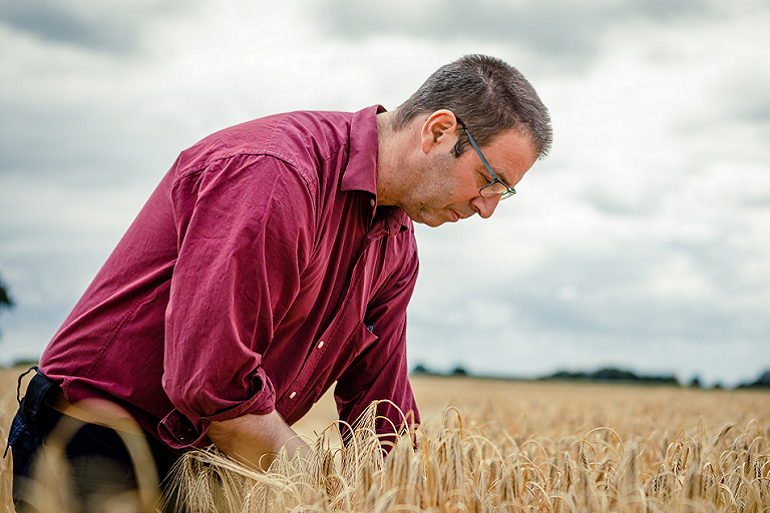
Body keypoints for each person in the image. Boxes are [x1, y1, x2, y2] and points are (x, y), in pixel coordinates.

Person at [7, 54, 552, 509]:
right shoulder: (277, 174)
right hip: (98, 446)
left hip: (210, 462)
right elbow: (209, 386)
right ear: (438, 131)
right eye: (488, 180)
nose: (486, 210)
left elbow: (380, 414)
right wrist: (327, 490)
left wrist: (411, 494)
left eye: (502, 193)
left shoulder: (396, 244)